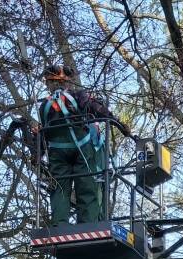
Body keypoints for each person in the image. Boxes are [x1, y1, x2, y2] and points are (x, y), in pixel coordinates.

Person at [34, 63, 132, 226]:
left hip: (57, 155)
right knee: (87, 186)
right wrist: (119, 124)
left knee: (59, 189)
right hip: (82, 151)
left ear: (50, 83)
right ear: (66, 81)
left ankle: (59, 225)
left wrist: (37, 154)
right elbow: (98, 109)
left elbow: (42, 134)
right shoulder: (78, 97)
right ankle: (88, 224)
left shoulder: (45, 106)